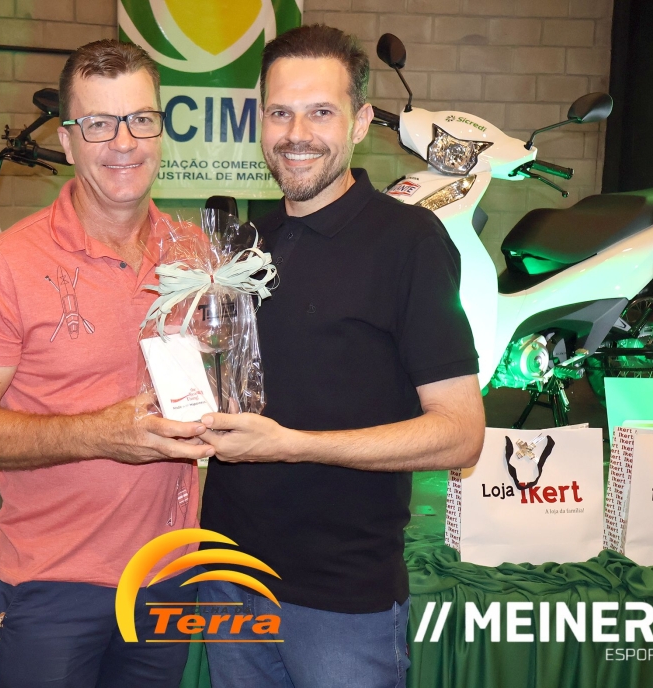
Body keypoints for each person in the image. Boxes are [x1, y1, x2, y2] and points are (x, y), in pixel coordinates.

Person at [198, 25, 486, 688]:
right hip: (227, 575)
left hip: (339, 599)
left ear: (359, 123)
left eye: (320, 112)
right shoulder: (248, 241)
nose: (297, 133)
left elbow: (460, 432)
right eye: (280, 113)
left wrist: (292, 445)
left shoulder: (408, 242)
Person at [0, 39, 214, 688]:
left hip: (168, 576)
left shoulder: (194, 252)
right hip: (55, 585)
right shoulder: (6, 265)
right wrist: (100, 433)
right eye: (99, 124)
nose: (124, 142)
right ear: (66, 141)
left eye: (141, 119)